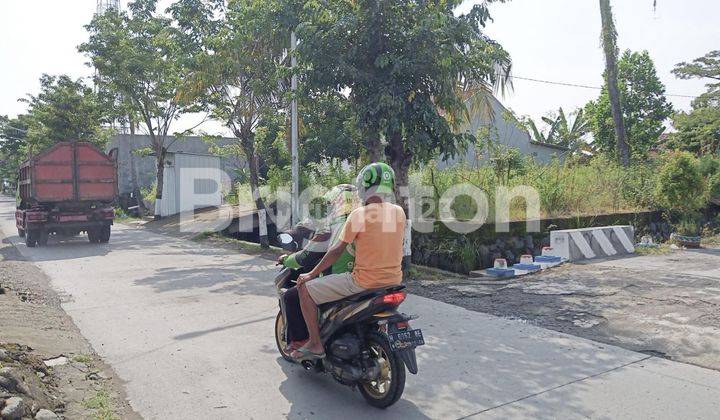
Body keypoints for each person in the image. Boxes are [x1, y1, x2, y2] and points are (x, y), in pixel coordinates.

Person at [292, 163, 406, 360]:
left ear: (363, 187)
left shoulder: (359, 214)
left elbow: (336, 250)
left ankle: (315, 343)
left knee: (305, 289)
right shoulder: (398, 212)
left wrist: (310, 274)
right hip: (394, 281)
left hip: (363, 282)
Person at [278, 184, 360, 353]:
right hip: (367, 279)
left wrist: (286, 260)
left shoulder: (331, 227)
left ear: (336, 202)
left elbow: (306, 257)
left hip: (341, 279)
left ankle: (304, 342)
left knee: (291, 295)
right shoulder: (364, 220)